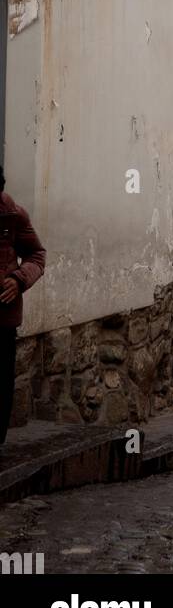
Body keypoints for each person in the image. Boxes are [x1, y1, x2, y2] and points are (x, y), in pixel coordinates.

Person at [0, 166, 46, 447]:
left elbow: (37, 255)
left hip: (3, 317)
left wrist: (18, 280)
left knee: (2, 382)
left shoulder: (13, 215)